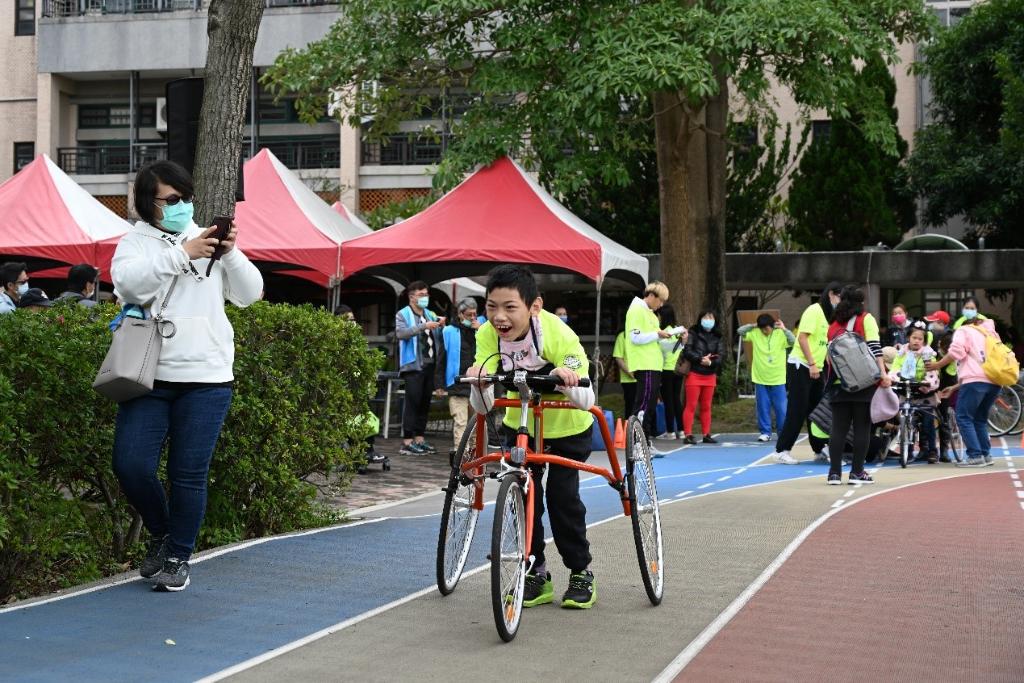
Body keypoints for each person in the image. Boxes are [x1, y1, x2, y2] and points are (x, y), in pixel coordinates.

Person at [110, 160, 263, 592]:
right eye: (172, 200)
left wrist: (229, 252)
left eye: (186, 198)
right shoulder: (135, 242)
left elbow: (250, 295)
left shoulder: (206, 238)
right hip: (148, 375)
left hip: (208, 377)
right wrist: (182, 253)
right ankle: (161, 532)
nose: (182, 206)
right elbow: (129, 286)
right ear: (149, 203)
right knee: (131, 464)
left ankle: (178, 556)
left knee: (188, 474)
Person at [467, 264, 598, 609]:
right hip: (521, 423)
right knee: (525, 497)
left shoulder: (558, 334)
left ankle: (581, 572)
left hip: (568, 428)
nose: (499, 317)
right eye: (492, 307)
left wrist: (563, 377)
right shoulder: (486, 336)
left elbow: (587, 400)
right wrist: (480, 381)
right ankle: (535, 571)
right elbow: (483, 407)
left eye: (510, 307)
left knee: (561, 497)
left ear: (534, 306)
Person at [825, 286, 889, 485]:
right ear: (861, 302)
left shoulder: (834, 324)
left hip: (838, 381)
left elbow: (828, 357)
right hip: (863, 381)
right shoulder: (865, 319)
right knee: (862, 428)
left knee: (838, 429)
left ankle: (834, 473)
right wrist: (883, 374)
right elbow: (874, 348)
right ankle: (857, 472)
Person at [774, 282, 843, 464]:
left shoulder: (829, 316)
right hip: (802, 365)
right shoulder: (814, 310)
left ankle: (819, 448)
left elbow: (823, 343)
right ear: (831, 295)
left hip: (817, 368)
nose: (841, 302)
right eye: (840, 298)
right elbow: (802, 337)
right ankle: (782, 450)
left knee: (817, 411)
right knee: (797, 409)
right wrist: (812, 363)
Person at [929, 309, 1002, 467]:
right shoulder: (990, 333)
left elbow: (956, 352)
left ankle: (975, 456)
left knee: (963, 417)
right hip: (995, 381)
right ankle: (985, 454)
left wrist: (937, 364)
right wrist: (955, 387)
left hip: (974, 381)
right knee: (979, 419)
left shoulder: (964, 330)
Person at [394, 281, 446, 456]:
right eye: (421, 295)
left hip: (429, 365)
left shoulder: (430, 313)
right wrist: (423, 326)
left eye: (426, 294)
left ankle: (419, 439)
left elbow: (437, 337)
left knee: (424, 403)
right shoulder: (403, 314)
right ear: (412, 297)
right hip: (413, 366)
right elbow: (401, 334)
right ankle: (407, 441)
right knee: (413, 402)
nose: (425, 298)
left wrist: (441, 325)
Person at [335, 304, 386, 470]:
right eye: (346, 320)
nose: (351, 323)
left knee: (366, 417)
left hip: (358, 386)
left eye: (352, 319)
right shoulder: (334, 341)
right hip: (342, 387)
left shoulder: (357, 341)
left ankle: (367, 449)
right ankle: (356, 450)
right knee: (350, 419)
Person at [625, 281, 672, 454]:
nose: (661, 304)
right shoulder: (637, 309)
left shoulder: (650, 313)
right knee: (643, 404)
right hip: (644, 363)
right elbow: (635, 338)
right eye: (661, 300)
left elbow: (654, 340)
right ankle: (637, 443)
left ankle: (645, 441)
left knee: (649, 405)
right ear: (651, 295)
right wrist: (656, 334)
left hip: (653, 363)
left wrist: (673, 339)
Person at [737, 314, 795, 443]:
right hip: (760, 377)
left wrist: (785, 329)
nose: (764, 331)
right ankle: (765, 432)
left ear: (772, 326)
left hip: (778, 378)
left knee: (782, 409)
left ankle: (783, 433)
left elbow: (793, 341)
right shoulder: (756, 332)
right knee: (763, 407)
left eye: (766, 328)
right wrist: (753, 325)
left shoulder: (781, 334)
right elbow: (740, 331)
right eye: (762, 328)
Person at [888, 325, 940, 463]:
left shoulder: (928, 354)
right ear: (908, 338)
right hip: (907, 390)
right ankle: (908, 452)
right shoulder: (901, 353)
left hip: (924, 393)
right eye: (914, 338)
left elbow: (932, 373)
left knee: (928, 421)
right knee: (907, 419)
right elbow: (895, 368)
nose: (916, 341)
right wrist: (893, 378)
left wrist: (926, 383)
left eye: (920, 339)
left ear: (924, 341)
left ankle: (932, 451)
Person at [436, 297, 480, 452]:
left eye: (475, 314)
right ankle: (460, 454)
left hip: (476, 382)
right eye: (469, 315)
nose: (473, 318)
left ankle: (475, 453)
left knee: (476, 423)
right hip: (456, 382)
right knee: (460, 421)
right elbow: (441, 358)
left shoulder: (481, 329)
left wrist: (480, 330)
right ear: (461, 314)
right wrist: (440, 384)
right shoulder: (448, 331)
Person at [681, 310, 724, 444]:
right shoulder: (693, 333)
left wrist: (710, 362)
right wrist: (700, 359)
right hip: (694, 373)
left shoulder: (718, 336)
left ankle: (706, 434)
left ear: (715, 320)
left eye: (710, 317)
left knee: (706, 406)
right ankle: (688, 434)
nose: (708, 320)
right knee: (691, 405)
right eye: (705, 317)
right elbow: (687, 351)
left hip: (710, 374)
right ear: (700, 319)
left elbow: (722, 355)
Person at [657, 303, 687, 439]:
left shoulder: (663, 333)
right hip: (678, 370)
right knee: (676, 400)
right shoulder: (678, 331)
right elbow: (682, 347)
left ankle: (670, 431)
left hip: (666, 370)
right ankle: (681, 430)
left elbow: (659, 351)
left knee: (668, 400)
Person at [612, 328, 637, 421]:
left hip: (644, 377)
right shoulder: (622, 336)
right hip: (628, 379)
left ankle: (647, 432)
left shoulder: (645, 334)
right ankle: (629, 430)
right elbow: (618, 357)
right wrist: (630, 372)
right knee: (630, 406)